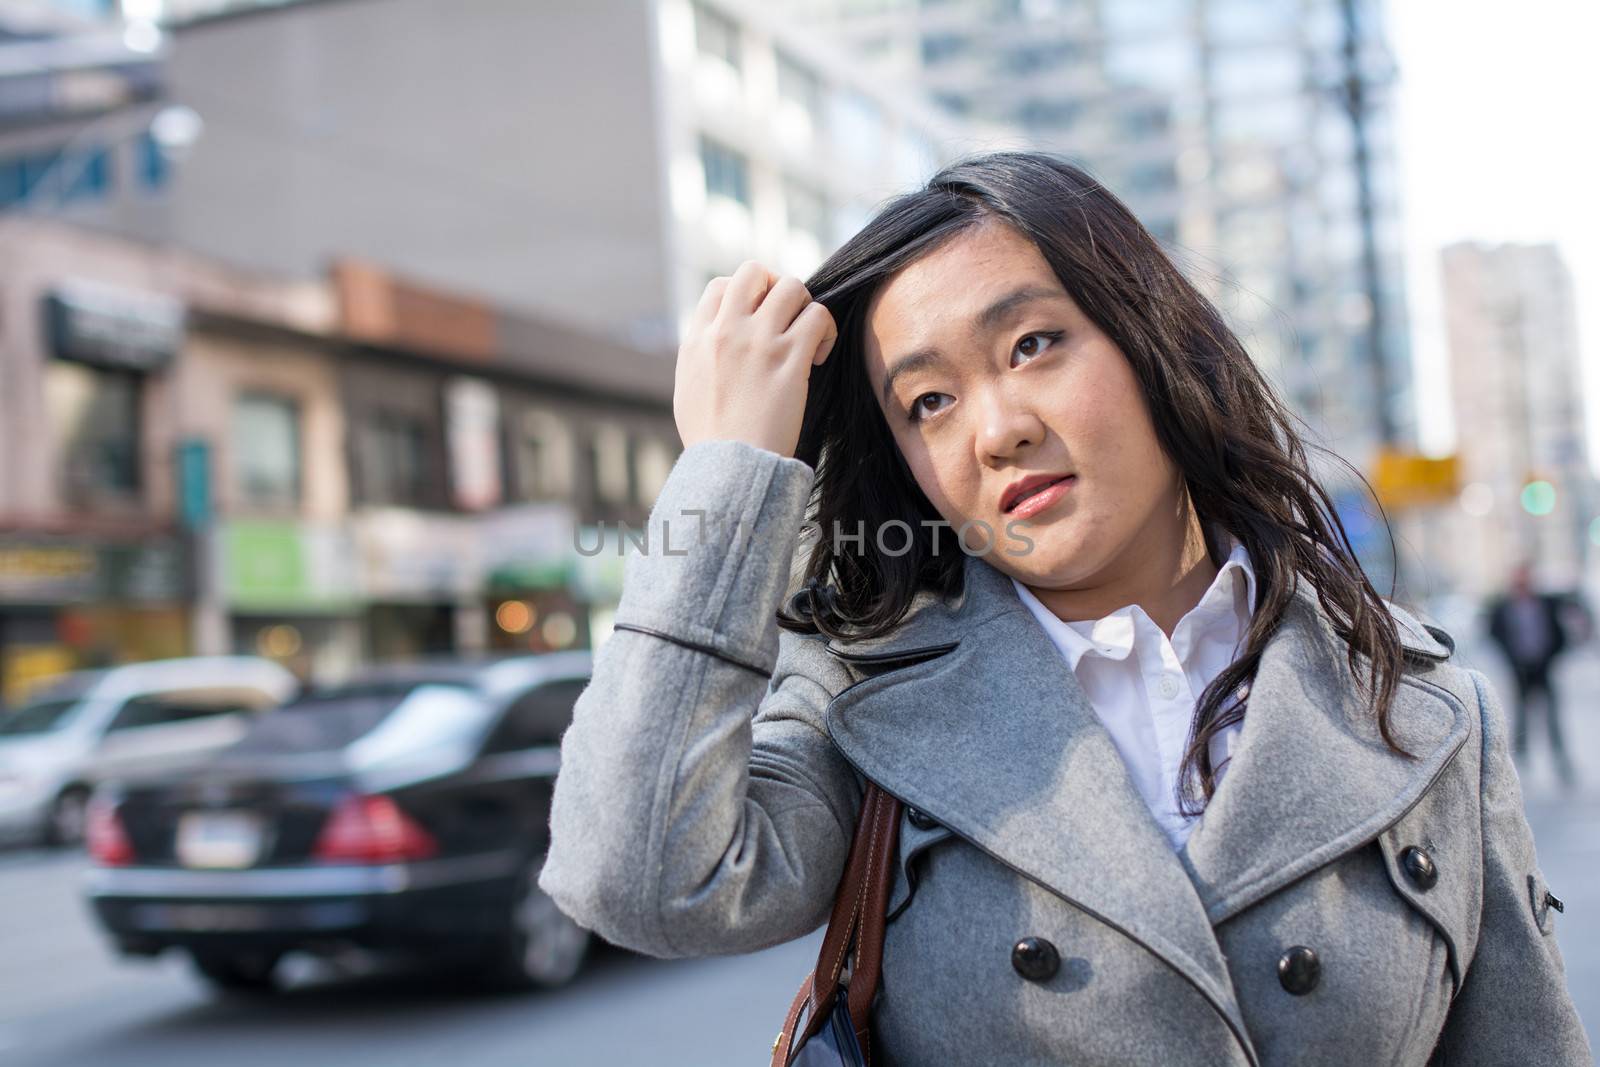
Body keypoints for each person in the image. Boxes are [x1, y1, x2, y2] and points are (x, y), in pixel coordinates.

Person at [539, 151, 1589, 1065]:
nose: (995, 429)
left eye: (1032, 343)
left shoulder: (1419, 704)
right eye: (928, 401)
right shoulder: (866, 703)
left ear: (1152, 339)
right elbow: (635, 877)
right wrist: (730, 469)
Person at [1486, 561, 1579, 786]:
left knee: (1552, 718)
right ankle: (1519, 763)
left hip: (1543, 668)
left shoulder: (1546, 603)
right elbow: (1495, 633)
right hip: (1520, 670)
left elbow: (1562, 631)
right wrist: (1511, 657)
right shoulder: (1503, 607)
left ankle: (1561, 761)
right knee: (1520, 718)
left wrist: (1551, 655)